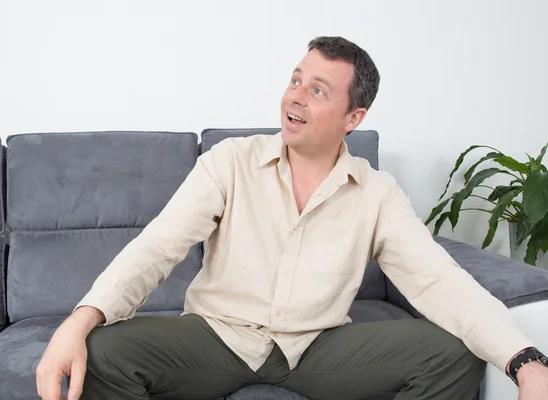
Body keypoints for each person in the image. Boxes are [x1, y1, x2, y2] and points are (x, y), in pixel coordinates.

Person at [36, 36, 548, 400]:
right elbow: (158, 247)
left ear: (354, 118)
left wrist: (526, 361)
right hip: (217, 338)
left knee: (453, 353)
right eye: (295, 80)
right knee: (102, 350)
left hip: (318, 347)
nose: (295, 96)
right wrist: (79, 321)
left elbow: (439, 282)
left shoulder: (377, 193)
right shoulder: (229, 161)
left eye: (318, 89)